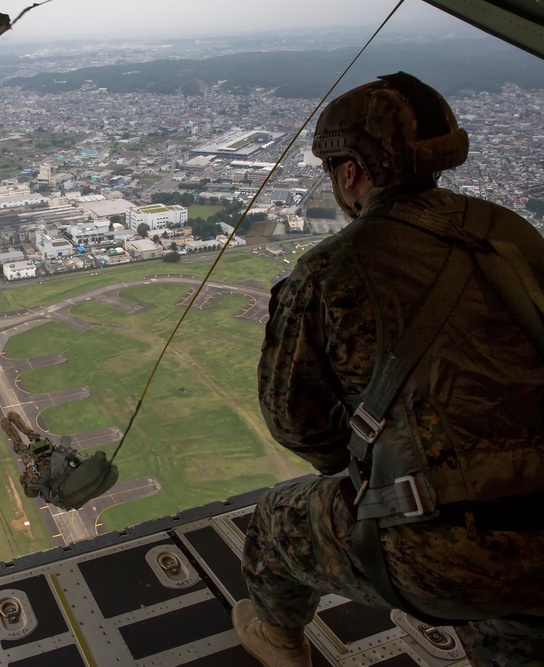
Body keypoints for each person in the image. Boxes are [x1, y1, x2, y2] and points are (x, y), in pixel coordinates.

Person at [232, 72, 544, 666]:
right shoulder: (515, 235)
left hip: (440, 554)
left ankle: (277, 641)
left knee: (277, 522)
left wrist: (361, 474)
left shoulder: (331, 269)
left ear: (351, 174)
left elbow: (293, 422)